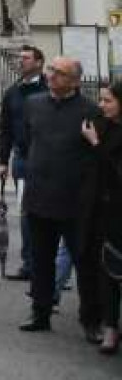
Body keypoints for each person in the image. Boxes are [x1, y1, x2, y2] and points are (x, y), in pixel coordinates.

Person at [17, 55, 101, 340]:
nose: (51, 75)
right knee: (41, 260)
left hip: (75, 202)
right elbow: (26, 142)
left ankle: (91, 320)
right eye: (51, 70)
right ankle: (40, 313)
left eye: (60, 73)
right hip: (39, 196)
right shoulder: (34, 104)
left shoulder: (90, 110)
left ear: (75, 81)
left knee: (85, 263)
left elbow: (95, 155)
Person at [0, 44, 49, 281]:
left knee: (50, 212)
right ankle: (29, 264)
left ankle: (50, 267)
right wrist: (2, 160)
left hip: (48, 160)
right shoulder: (12, 92)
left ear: (39, 62)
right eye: (20, 58)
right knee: (26, 213)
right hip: (22, 159)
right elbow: (5, 129)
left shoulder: (50, 89)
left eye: (26, 58)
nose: (21, 61)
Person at [81, 80, 122, 355]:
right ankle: (110, 327)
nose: (101, 105)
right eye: (101, 99)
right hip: (103, 210)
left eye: (108, 100)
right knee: (107, 268)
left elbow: (115, 171)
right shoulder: (101, 125)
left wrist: (95, 143)